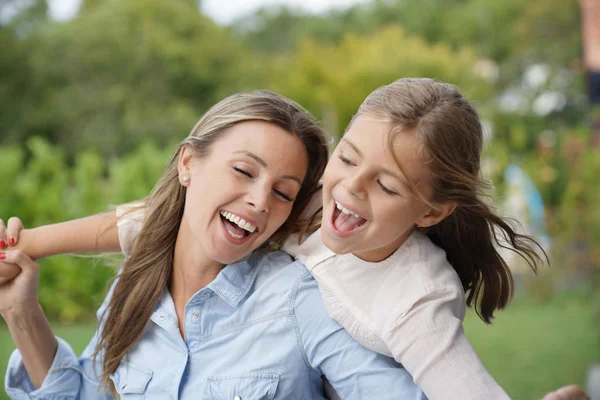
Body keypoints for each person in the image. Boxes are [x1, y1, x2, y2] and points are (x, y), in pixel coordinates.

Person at [0, 79, 588, 400]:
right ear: (187, 165)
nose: (261, 201)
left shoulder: (345, 298)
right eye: (242, 171)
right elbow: (136, 223)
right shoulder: (136, 289)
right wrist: (23, 283)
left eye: (283, 190)